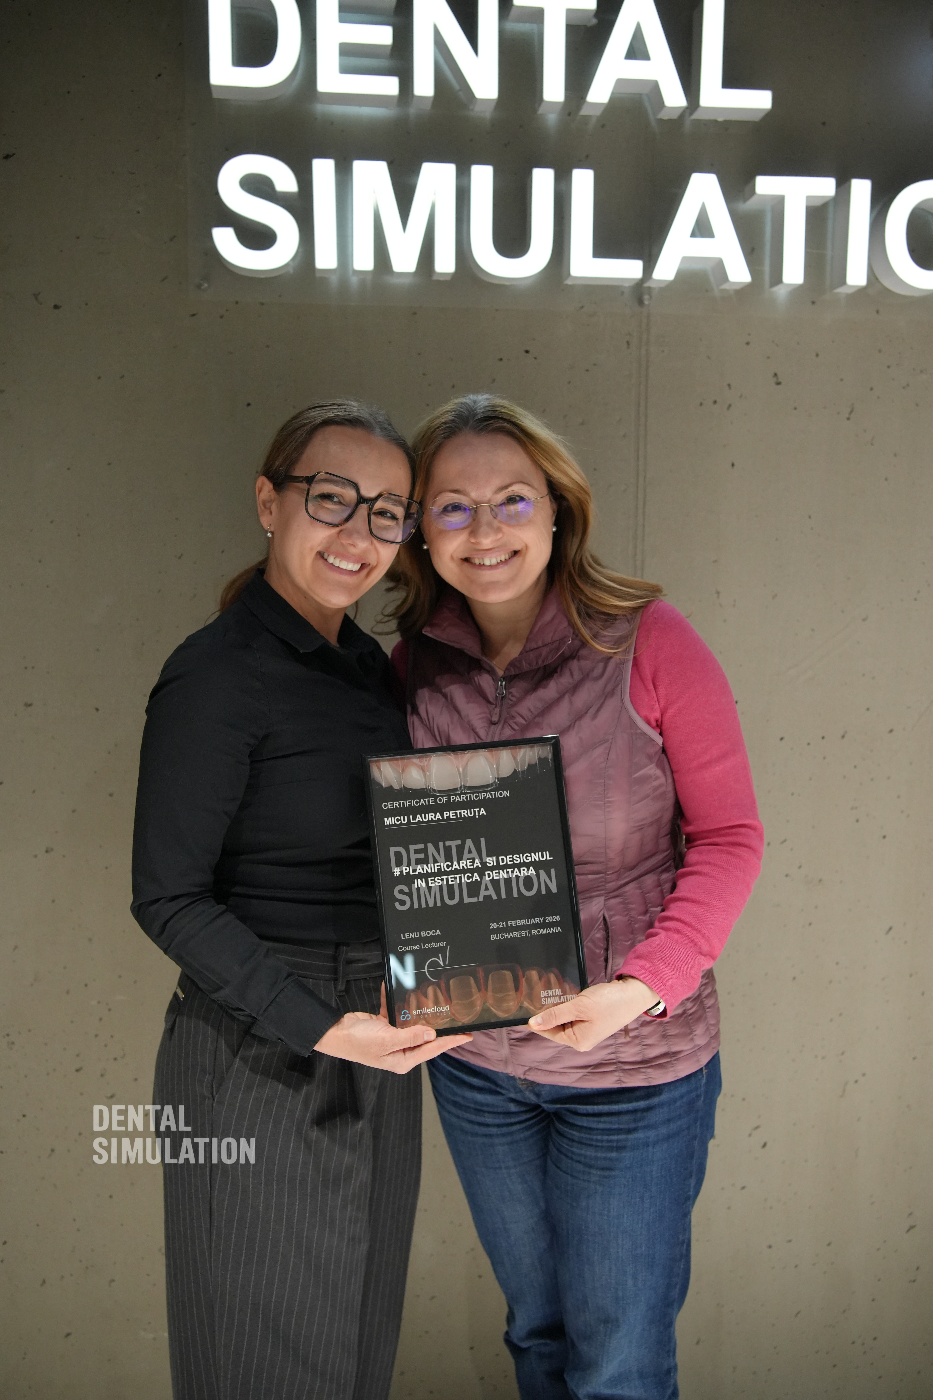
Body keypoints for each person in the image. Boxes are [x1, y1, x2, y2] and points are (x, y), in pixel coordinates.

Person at [386, 393, 764, 1400]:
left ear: (558, 507)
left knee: (617, 1363)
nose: (486, 529)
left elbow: (730, 837)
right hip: (477, 1068)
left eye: (512, 499)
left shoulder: (648, 640)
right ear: (421, 530)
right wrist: (404, 975)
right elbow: (407, 852)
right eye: (453, 507)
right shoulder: (413, 662)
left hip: (633, 1068)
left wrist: (640, 988)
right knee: (537, 1334)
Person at [130, 400, 471, 1400]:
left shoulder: (369, 668)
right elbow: (168, 897)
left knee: (356, 1352)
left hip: (379, 1035)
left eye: (387, 512)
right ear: (269, 502)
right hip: (258, 1050)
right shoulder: (217, 674)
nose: (358, 532)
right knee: (262, 1363)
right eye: (332, 498)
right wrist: (322, 1025)